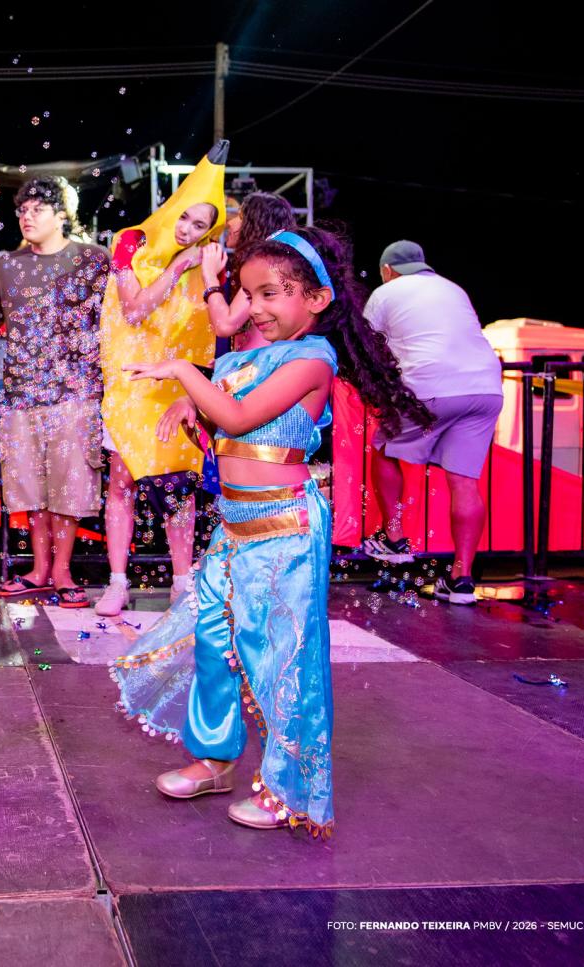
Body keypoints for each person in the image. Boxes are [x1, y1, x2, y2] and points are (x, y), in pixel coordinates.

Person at [111, 226, 431, 836]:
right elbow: (226, 428)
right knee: (214, 648)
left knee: (282, 661)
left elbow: (237, 413)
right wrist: (192, 411)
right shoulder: (241, 359)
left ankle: (292, 790)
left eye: (272, 294)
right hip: (233, 529)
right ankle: (214, 759)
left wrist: (185, 373)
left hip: (284, 530)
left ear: (315, 300)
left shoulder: (312, 360)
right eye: (248, 293)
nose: (255, 307)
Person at [0, 176, 109, 607]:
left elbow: (115, 322)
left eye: (37, 209)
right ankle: (39, 570)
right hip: (21, 394)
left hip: (76, 393)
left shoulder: (92, 260)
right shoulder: (8, 266)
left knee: (69, 489)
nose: (26, 217)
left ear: (62, 215)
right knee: (30, 489)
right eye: (22, 210)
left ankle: (64, 572)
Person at [98, 142, 228, 615]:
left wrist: (196, 394)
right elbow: (132, 310)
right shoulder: (129, 241)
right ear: (171, 208)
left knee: (179, 488)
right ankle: (116, 581)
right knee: (121, 482)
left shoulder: (210, 263)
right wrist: (175, 269)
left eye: (200, 225)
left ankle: (180, 580)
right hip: (129, 384)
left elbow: (215, 328)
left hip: (178, 387)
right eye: (185, 218)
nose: (188, 229)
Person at [360, 240, 497, 604]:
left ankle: (393, 538)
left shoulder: (386, 292)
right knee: (464, 481)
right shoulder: (454, 288)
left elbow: (368, 347)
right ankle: (461, 579)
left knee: (383, 447)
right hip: (486, 387)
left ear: (387, 270)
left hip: (431, 384)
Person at [198, 192, 296, 355]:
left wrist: (209, 275)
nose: (230, 222)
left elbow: (225, 325)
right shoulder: (274, 264)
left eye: (240, 217)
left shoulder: (265, 266)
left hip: (259, 371)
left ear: (256, 226)